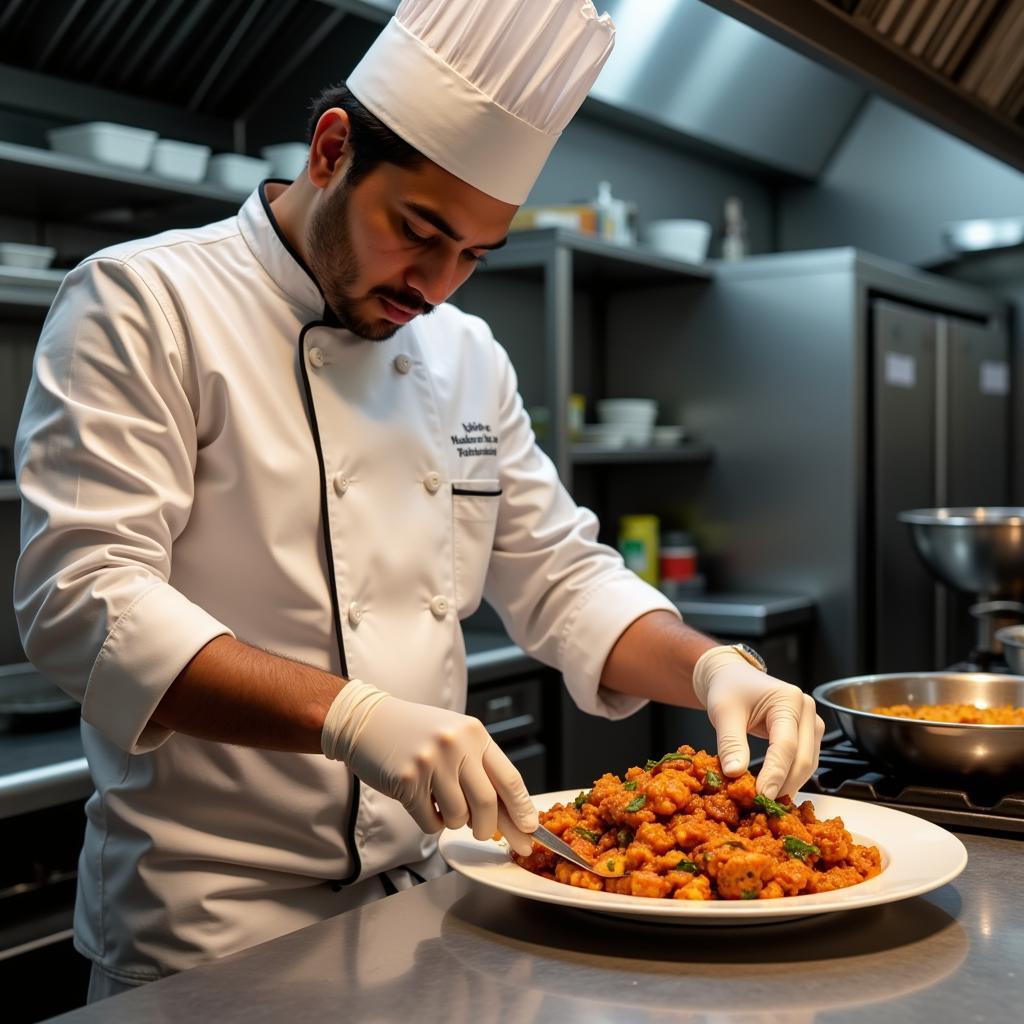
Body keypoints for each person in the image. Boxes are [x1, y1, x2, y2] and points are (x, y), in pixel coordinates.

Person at [14, 0, 824, 1001]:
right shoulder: (144, 301)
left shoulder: (463, 353)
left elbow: (560, 576)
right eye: (418, 232)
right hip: (208, 933)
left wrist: (711, 672)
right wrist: (353, 716)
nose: (436, 286)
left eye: (473, 256)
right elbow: (82, 601)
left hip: (431, 915)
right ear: (331, 148)